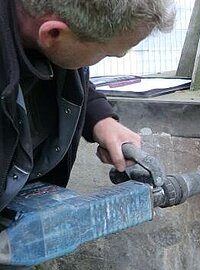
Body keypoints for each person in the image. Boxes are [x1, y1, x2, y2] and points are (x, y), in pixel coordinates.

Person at [0, 0, 175, 266]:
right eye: (105, 53)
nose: (103, 58)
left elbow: (65, 63)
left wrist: (99, 118)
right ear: (53, 33)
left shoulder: (40, 27)